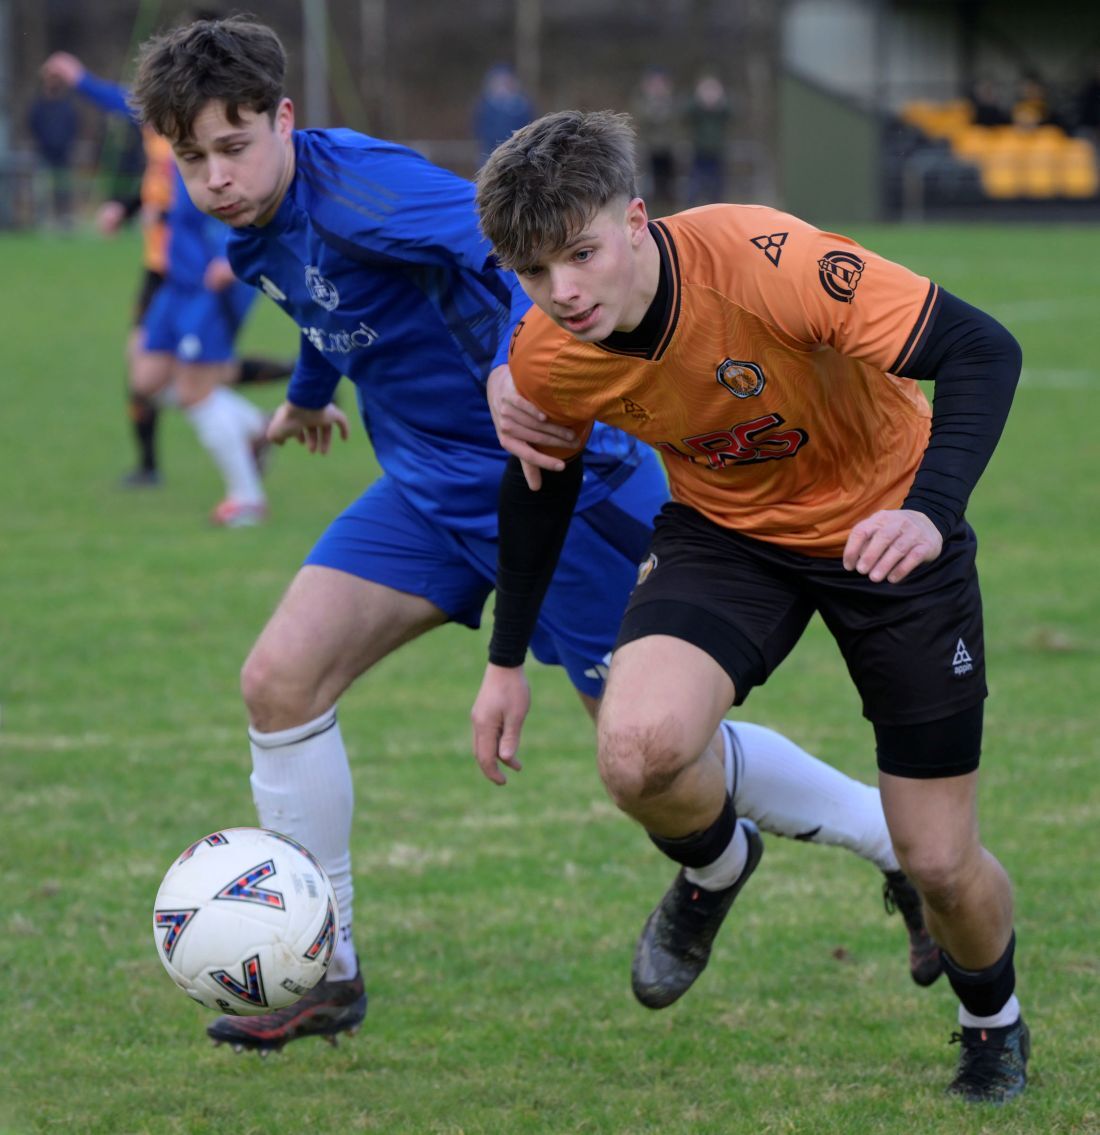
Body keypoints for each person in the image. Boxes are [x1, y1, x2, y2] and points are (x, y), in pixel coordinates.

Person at [129, 16, 939, 1054]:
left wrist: (520, 361)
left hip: (559, 486)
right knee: (278, 682)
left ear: (286, 118)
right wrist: (306, 391)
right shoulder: (254, 221)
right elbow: (323, 301)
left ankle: (891, 844)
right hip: (422, 489)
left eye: (234, 147)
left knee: (654, 753)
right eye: (190, 157)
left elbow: (504, 242)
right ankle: (324, 969)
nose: (215, 176)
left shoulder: (362, 189)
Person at [473, 110, 1027, 1103]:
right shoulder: (549, 347)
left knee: (939, 863)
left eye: (581, 254)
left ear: (636, 220)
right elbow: (538, 477)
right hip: (727, 536)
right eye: (531, 272)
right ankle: (717, 868)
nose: (561, 292)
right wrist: (503, 658)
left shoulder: (767, 260)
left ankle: (991, 1024)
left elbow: (981, 348)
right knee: (634, 749)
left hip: (886, 528)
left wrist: (930, 512)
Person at [41, 50, 292, 494]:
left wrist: (227, 256)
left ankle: (247, 499)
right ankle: (254, 424)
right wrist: (79, 79)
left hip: (210, 283)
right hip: (173, 279)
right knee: (147, 379)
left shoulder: (210, 137)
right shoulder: (169, 138)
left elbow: (244, 196)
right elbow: (121, 104)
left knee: (196, 388)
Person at [27, 73, 80, 228]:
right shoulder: (38, 107)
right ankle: (42, 221)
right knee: (42, 189)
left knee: (63, 189)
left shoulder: (67, 106)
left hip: (63, 154)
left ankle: (63, 220)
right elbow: (33, 126)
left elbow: (73, 126)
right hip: (43, 154)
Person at [630, 67, 679, 214]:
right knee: (647, 186)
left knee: (669, 187)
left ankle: (668, 212)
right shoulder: (640, 103)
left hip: (668, 150)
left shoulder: (673, 103)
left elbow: (678, 126)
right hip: (648, 150)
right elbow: (637, 124)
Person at [684, 72, 732, 206]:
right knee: (695, 186)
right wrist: (700, 101)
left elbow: (731, 112)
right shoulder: (696, 108)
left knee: (717, 188)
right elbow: (686, 113)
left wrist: (719, 101)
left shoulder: (722, 108)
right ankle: (692, 209)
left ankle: (717, 208)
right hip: (699, 151)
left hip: (717, 151)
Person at [472, 64, 536, 165]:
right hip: (490, 152)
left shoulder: (521, 104)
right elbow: (479, 128)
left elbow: (530, 124)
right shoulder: (485, 105)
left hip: (517, 151)